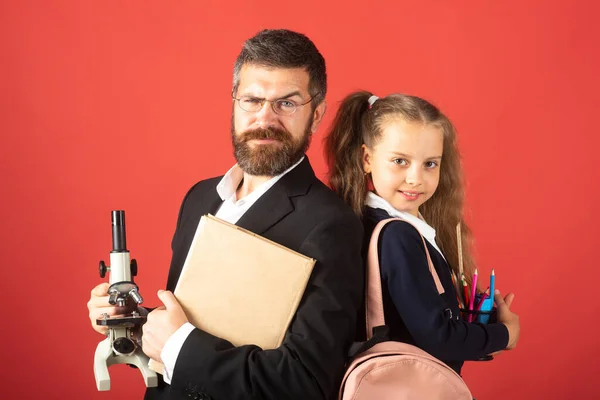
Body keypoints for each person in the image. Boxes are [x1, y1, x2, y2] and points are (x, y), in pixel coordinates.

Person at [87, 29, 364, 400]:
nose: (265, 119)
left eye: (287, 103)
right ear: (234, 102)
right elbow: (195, 321)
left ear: (316, 115)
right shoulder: (200, 197)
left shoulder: (333, 225)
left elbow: (303, 383)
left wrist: (178, 346)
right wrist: (129, 319)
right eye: (252, 100)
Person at [324, 91, 520, 375]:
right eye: (400, 161)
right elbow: (438, 338)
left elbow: (416, 322)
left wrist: (475, 319)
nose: (416, 178)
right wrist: (505, 334)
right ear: (366, 158)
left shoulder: (370, 220)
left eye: (430, 163)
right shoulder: (398, 236)